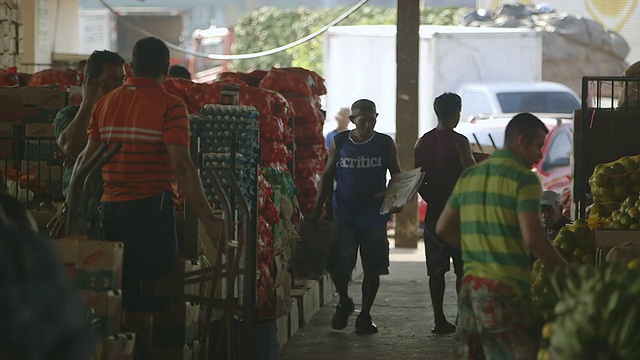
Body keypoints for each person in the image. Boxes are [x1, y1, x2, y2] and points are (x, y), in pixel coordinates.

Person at [70, 37, 221, 343]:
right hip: (151, 214)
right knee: (146, 302)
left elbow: (85, 161)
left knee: (117, 297)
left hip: (110, 212)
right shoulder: (171, 106)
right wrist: (209, 219)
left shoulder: (104, 104)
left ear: (130, 67)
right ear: (166, 68)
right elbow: (181, 165)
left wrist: (70, 204)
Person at [436, 113, 568, 358]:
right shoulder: (524, 178)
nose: (540, 155)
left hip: (471, 289)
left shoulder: (470, 176)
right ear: (521, 141)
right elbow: (534, 239)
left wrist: (478, 247)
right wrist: (569, 272)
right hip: (505, 291)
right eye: (539, 146)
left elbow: (443, 227)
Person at [310, 99, 403, 335]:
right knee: (339, 267)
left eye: (372, 119)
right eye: (362, 120)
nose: (367, 124)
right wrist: (317, 209)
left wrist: (396, 200)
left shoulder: (384, 143)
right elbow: (328, 175)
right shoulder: (340, 141)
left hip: (374, 217)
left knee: (373, 268)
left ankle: (365, 315)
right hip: (345, 215)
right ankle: (344, 301)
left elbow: (397, 175)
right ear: (352, 120)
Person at [414, 92, 476, 334]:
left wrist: (434, 200)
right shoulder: (460, 142)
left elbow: (417, 180)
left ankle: (439, 319)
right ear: (457, 112)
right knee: (463, 268)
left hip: (434, 212)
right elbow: (471, 174)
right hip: (459, 214)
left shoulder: (423, 142)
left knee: (436, 269)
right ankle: (462, 316)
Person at [48, 50, 126, 237]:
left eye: (123, 78)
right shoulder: (69, 115)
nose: (120, 85)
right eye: (113, 79)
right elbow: (72, 147)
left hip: (117, 212)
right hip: (80, 213)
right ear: (91, 81)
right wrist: (89, 102)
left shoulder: (125, 115)